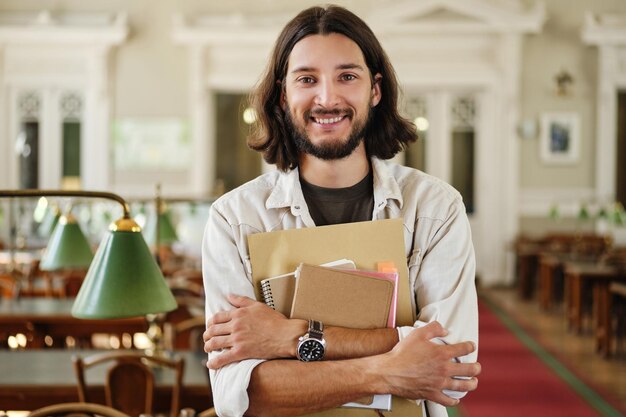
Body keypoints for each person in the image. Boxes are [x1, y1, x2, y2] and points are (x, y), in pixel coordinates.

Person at [202, 5, 480, 417]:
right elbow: (241, 395)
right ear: (283, 95)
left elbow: (448, 367)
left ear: (375, 89)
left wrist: (289, 339)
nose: (328, 98)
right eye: (307, 79)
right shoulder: (234, 219)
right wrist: (386, 371)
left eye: (347, 76)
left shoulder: (435, 209)